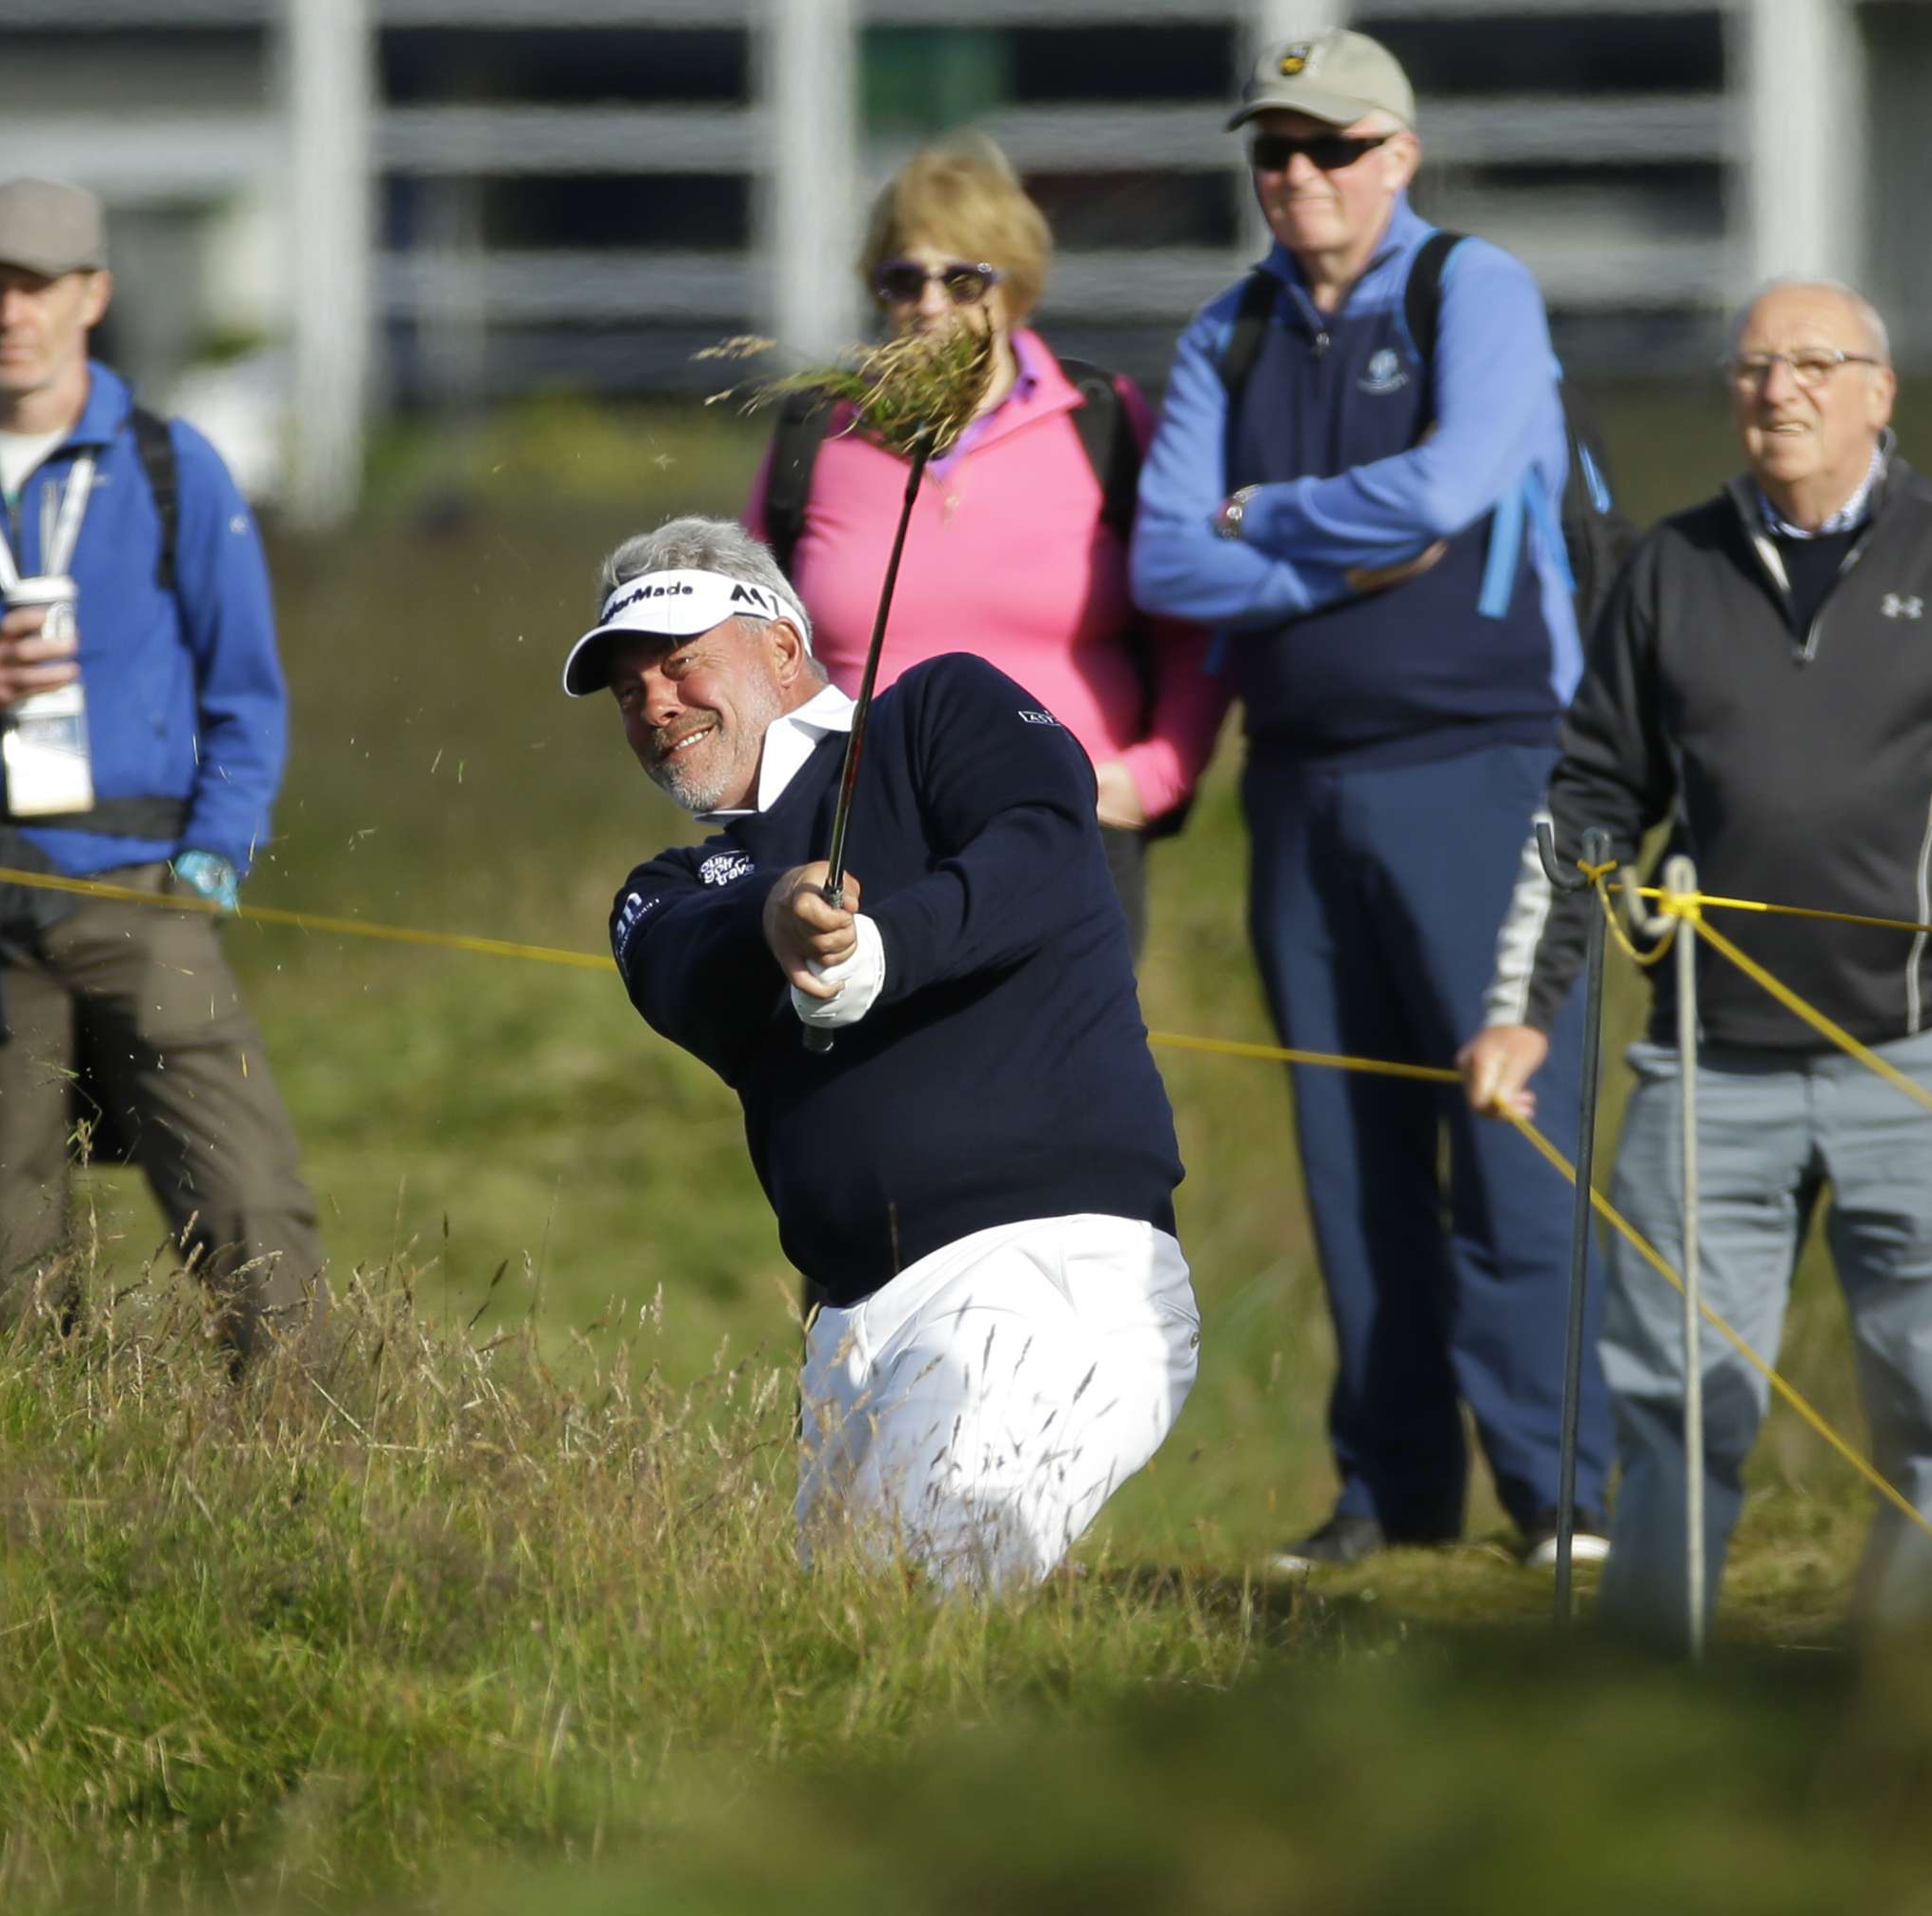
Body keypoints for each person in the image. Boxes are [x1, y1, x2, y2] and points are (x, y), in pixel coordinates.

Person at [1129, 26, 1609, 1572]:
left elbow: (1455, 483)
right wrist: (1326, 545)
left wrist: (1267, 518)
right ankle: (1392, 1491)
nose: (1295, 175)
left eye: (1330, 146)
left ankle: (1563, 1488)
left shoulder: (1474, 285)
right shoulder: (1229, 335)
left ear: (1397, 156)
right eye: (1272, 148)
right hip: (1303, 782)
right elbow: (1164, 559)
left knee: (1509, 1130)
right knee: (1350, 1151)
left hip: (1483, 761)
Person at [577, 515, 1197, 1590]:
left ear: (779, 645)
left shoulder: (937, 712)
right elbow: (685, 966)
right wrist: (782, 917)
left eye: (679, 663)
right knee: (844, 1677)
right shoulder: (668, 888)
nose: (655, 706)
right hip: (850, 1332)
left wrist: (885, 947)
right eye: (630, 691)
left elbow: (1044, 851)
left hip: (1045, 1272)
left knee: (910, 1619)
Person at [1463, 278, 1932, 1643]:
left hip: (1905, 1057)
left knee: (1925, 1396)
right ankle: (1655, 1697)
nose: (1775, 389)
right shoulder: (1669, 569)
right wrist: (1519, 1014)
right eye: (1750, 368)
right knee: (1674, 1396)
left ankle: (1887, 1703)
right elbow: (1591, 801)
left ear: (1875, 392)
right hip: (1703, 1067)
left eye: (1809, 364)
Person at [0, 175, 323, 1368]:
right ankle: (40, 1483)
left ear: (91, 295)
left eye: (33, 288)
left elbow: (245, 693)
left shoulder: (172, 468)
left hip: (146, 880)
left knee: (251, 1206)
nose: (7, 315)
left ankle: (309, 1461)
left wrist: (215, 851)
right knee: (3, 1247)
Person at [746, 133, 1223, 953]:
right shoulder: (818, 434)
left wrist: (1153, 778)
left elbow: (1193, 623)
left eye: (962, 278)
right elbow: (753, 643)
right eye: (904, 278)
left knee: (1058, 1074)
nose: (929, 302)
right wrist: (785, 802)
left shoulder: (1099, 423)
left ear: (1016, 284)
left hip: (1068, 830)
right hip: (862, 843)